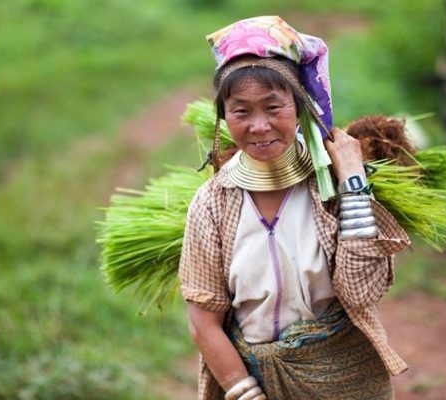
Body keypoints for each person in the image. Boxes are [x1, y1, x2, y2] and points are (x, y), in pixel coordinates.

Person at [179, 16, 411, 400]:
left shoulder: (332, 188)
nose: (259, 126)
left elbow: (360, 293)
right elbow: (204, 322)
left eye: (273, 107)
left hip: (345, 376)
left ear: (300, 105)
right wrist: (246, 392)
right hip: (252, 377)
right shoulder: (213, 203)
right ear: (224, 117)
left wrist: (353, 181)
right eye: (241, 112)